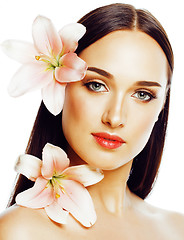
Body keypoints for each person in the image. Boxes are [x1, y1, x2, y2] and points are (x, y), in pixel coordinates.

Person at [0, 3, 184, 239]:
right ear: (60, 84)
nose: (115, 117)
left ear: (162, 106)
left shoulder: (177, 229)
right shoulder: (19, 231)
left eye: (142, 95)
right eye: (96, 85)